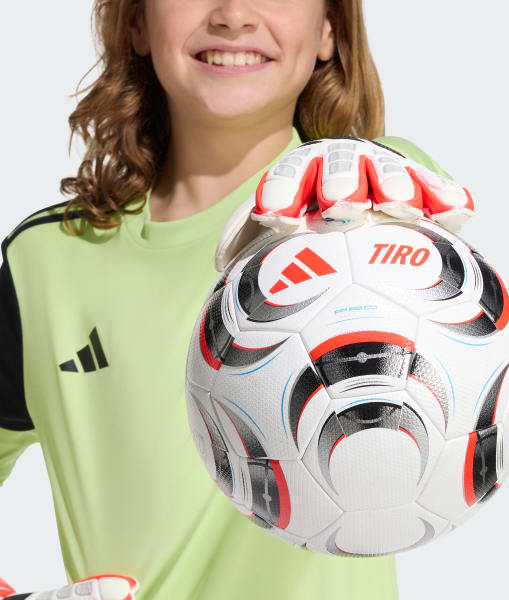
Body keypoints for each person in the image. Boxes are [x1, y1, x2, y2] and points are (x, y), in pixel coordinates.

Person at [0, 0, 473, 598]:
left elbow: (402, 197)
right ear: (137, 21)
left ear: (329, 28)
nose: (233, 14)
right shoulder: (45, 262)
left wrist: (372, 180)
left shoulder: (363, 210)